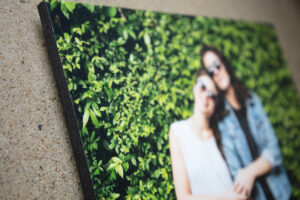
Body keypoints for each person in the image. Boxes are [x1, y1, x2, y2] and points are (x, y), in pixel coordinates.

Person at [200, 45, 291, 200]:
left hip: (282, 193)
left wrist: (250, 171)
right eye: (210, 71)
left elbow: (274, 151)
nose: (216, 72)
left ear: (224, 63)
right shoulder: (221, 123)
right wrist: (248, 174)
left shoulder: (252, 101)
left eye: (217, 65)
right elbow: (238, 178)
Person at [169, 68, 246, 200]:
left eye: (212, 95)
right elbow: (183, 197)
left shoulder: (223, 135)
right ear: (194, 88)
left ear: (217, 103)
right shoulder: (178, 131)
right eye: (202, 87)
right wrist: (225, 197)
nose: (206, 96)